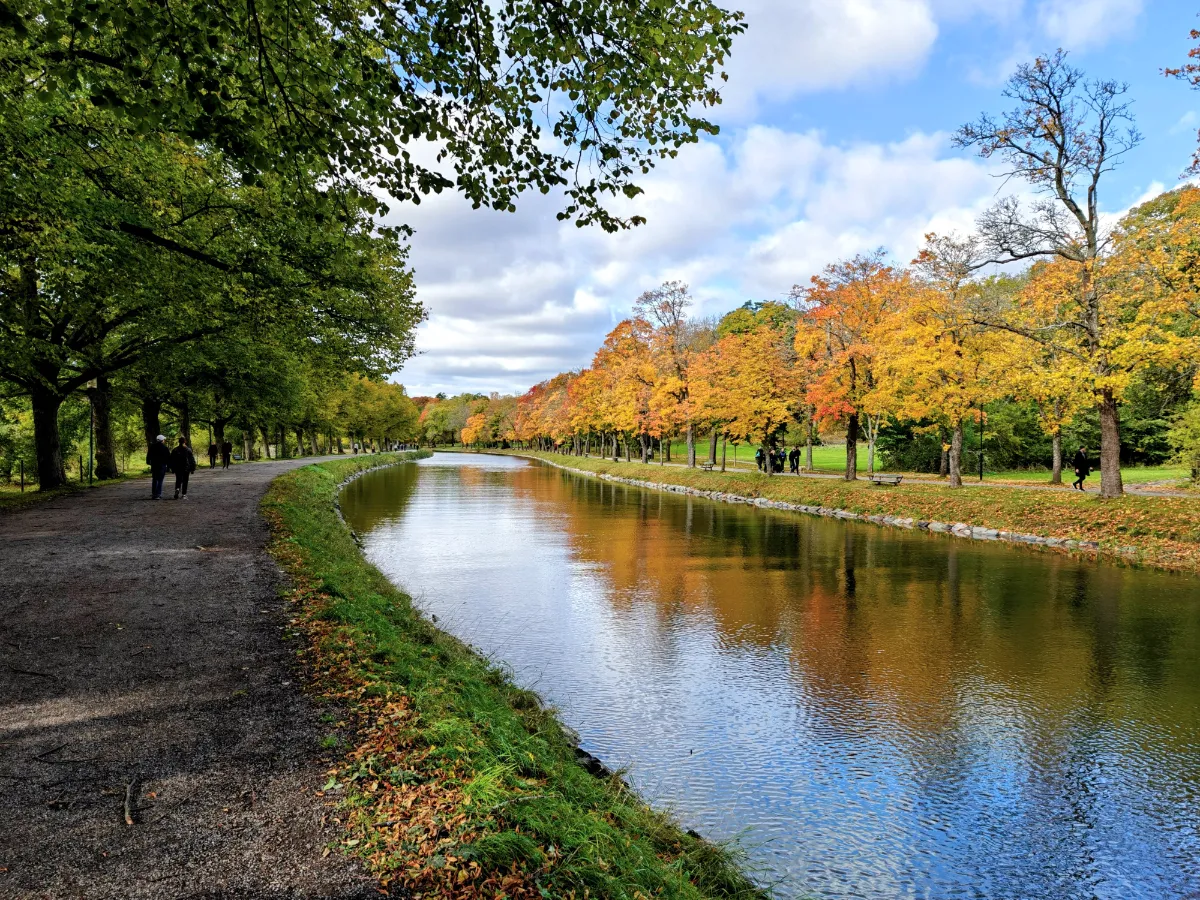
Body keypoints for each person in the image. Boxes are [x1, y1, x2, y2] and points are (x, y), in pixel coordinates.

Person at [147, 435, 171, 500]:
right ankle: (158, 494)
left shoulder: (152, 447)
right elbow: (168, 458)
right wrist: (169, 466)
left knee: (154, 479)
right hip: (162, 466)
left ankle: (154, 494)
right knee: (160, 480)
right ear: (162, 440)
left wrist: (149, 462)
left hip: (154, 465)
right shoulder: (165, 448)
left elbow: (148, 455)